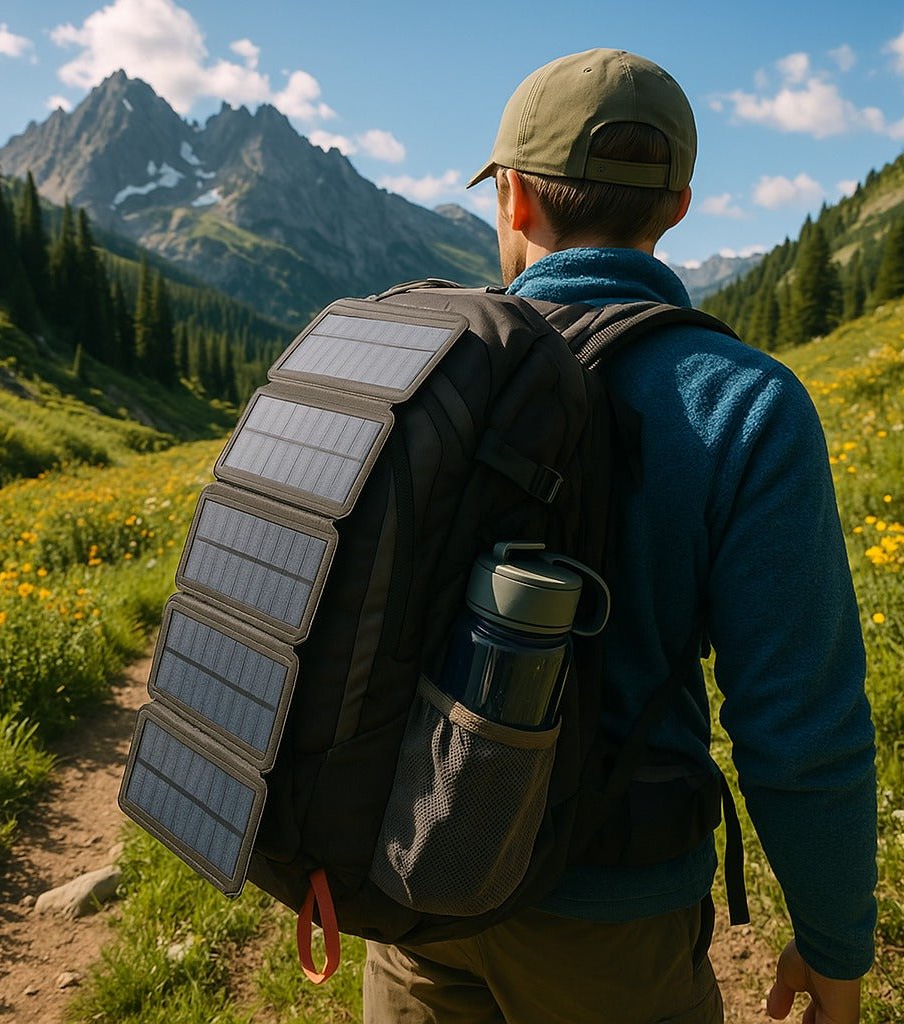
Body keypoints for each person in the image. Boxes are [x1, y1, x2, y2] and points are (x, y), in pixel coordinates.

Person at [364, 49, 877, 1024]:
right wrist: (833, 939)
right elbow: (798, 727)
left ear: (512, 199)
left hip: (413, 873)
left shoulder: (419, 363)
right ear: (677, 205)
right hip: (615, 916)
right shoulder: (744, 403)